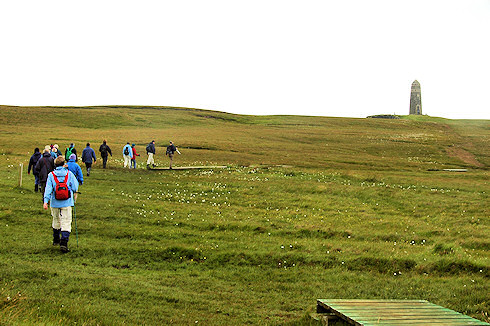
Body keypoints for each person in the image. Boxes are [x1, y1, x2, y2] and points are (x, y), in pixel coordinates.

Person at [43, 156, 79, 253]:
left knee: (56, 219)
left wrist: (46, 201)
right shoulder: (69, 174)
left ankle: (56, 239)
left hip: (55, 202)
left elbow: (48, 189)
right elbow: (75, 187)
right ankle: (64, 243)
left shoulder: (51, 175)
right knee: (66, 221)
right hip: (67, 201)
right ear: (64, 164)